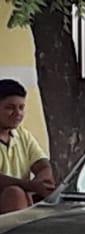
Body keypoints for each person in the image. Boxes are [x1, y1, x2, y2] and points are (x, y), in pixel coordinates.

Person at [0, 79, 55, 214]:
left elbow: (43, 165)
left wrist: (42, 183)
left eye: (21, 107)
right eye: (10, 107)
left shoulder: (22, 135)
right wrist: (31, 186)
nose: (18, 113)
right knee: (15, 193)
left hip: (21, 202)